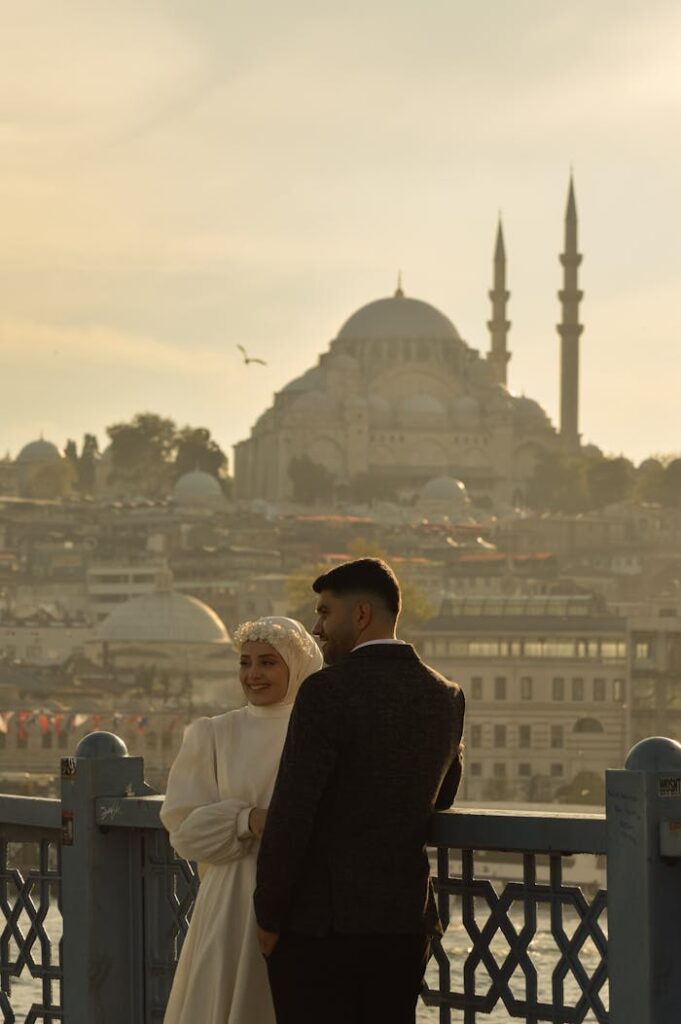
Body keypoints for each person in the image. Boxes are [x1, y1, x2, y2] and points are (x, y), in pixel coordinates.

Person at [255, 558, 465, 1024]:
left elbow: (293, 813)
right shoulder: (446, 695)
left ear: (362, 614)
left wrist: (268, 916)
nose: (317, 628)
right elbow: (443, 794)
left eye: (326, 613)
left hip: (322, 927)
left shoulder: (326, 691)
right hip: (403, 922)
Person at [160, 616, 323, 1024]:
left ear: (297, 666)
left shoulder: (320, 732)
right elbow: (184, 833)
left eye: (268, 662)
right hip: (230, 903)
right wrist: (248, 821)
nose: (253, 674)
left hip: (305, 900)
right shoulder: (214, 733)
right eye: (245, 662)